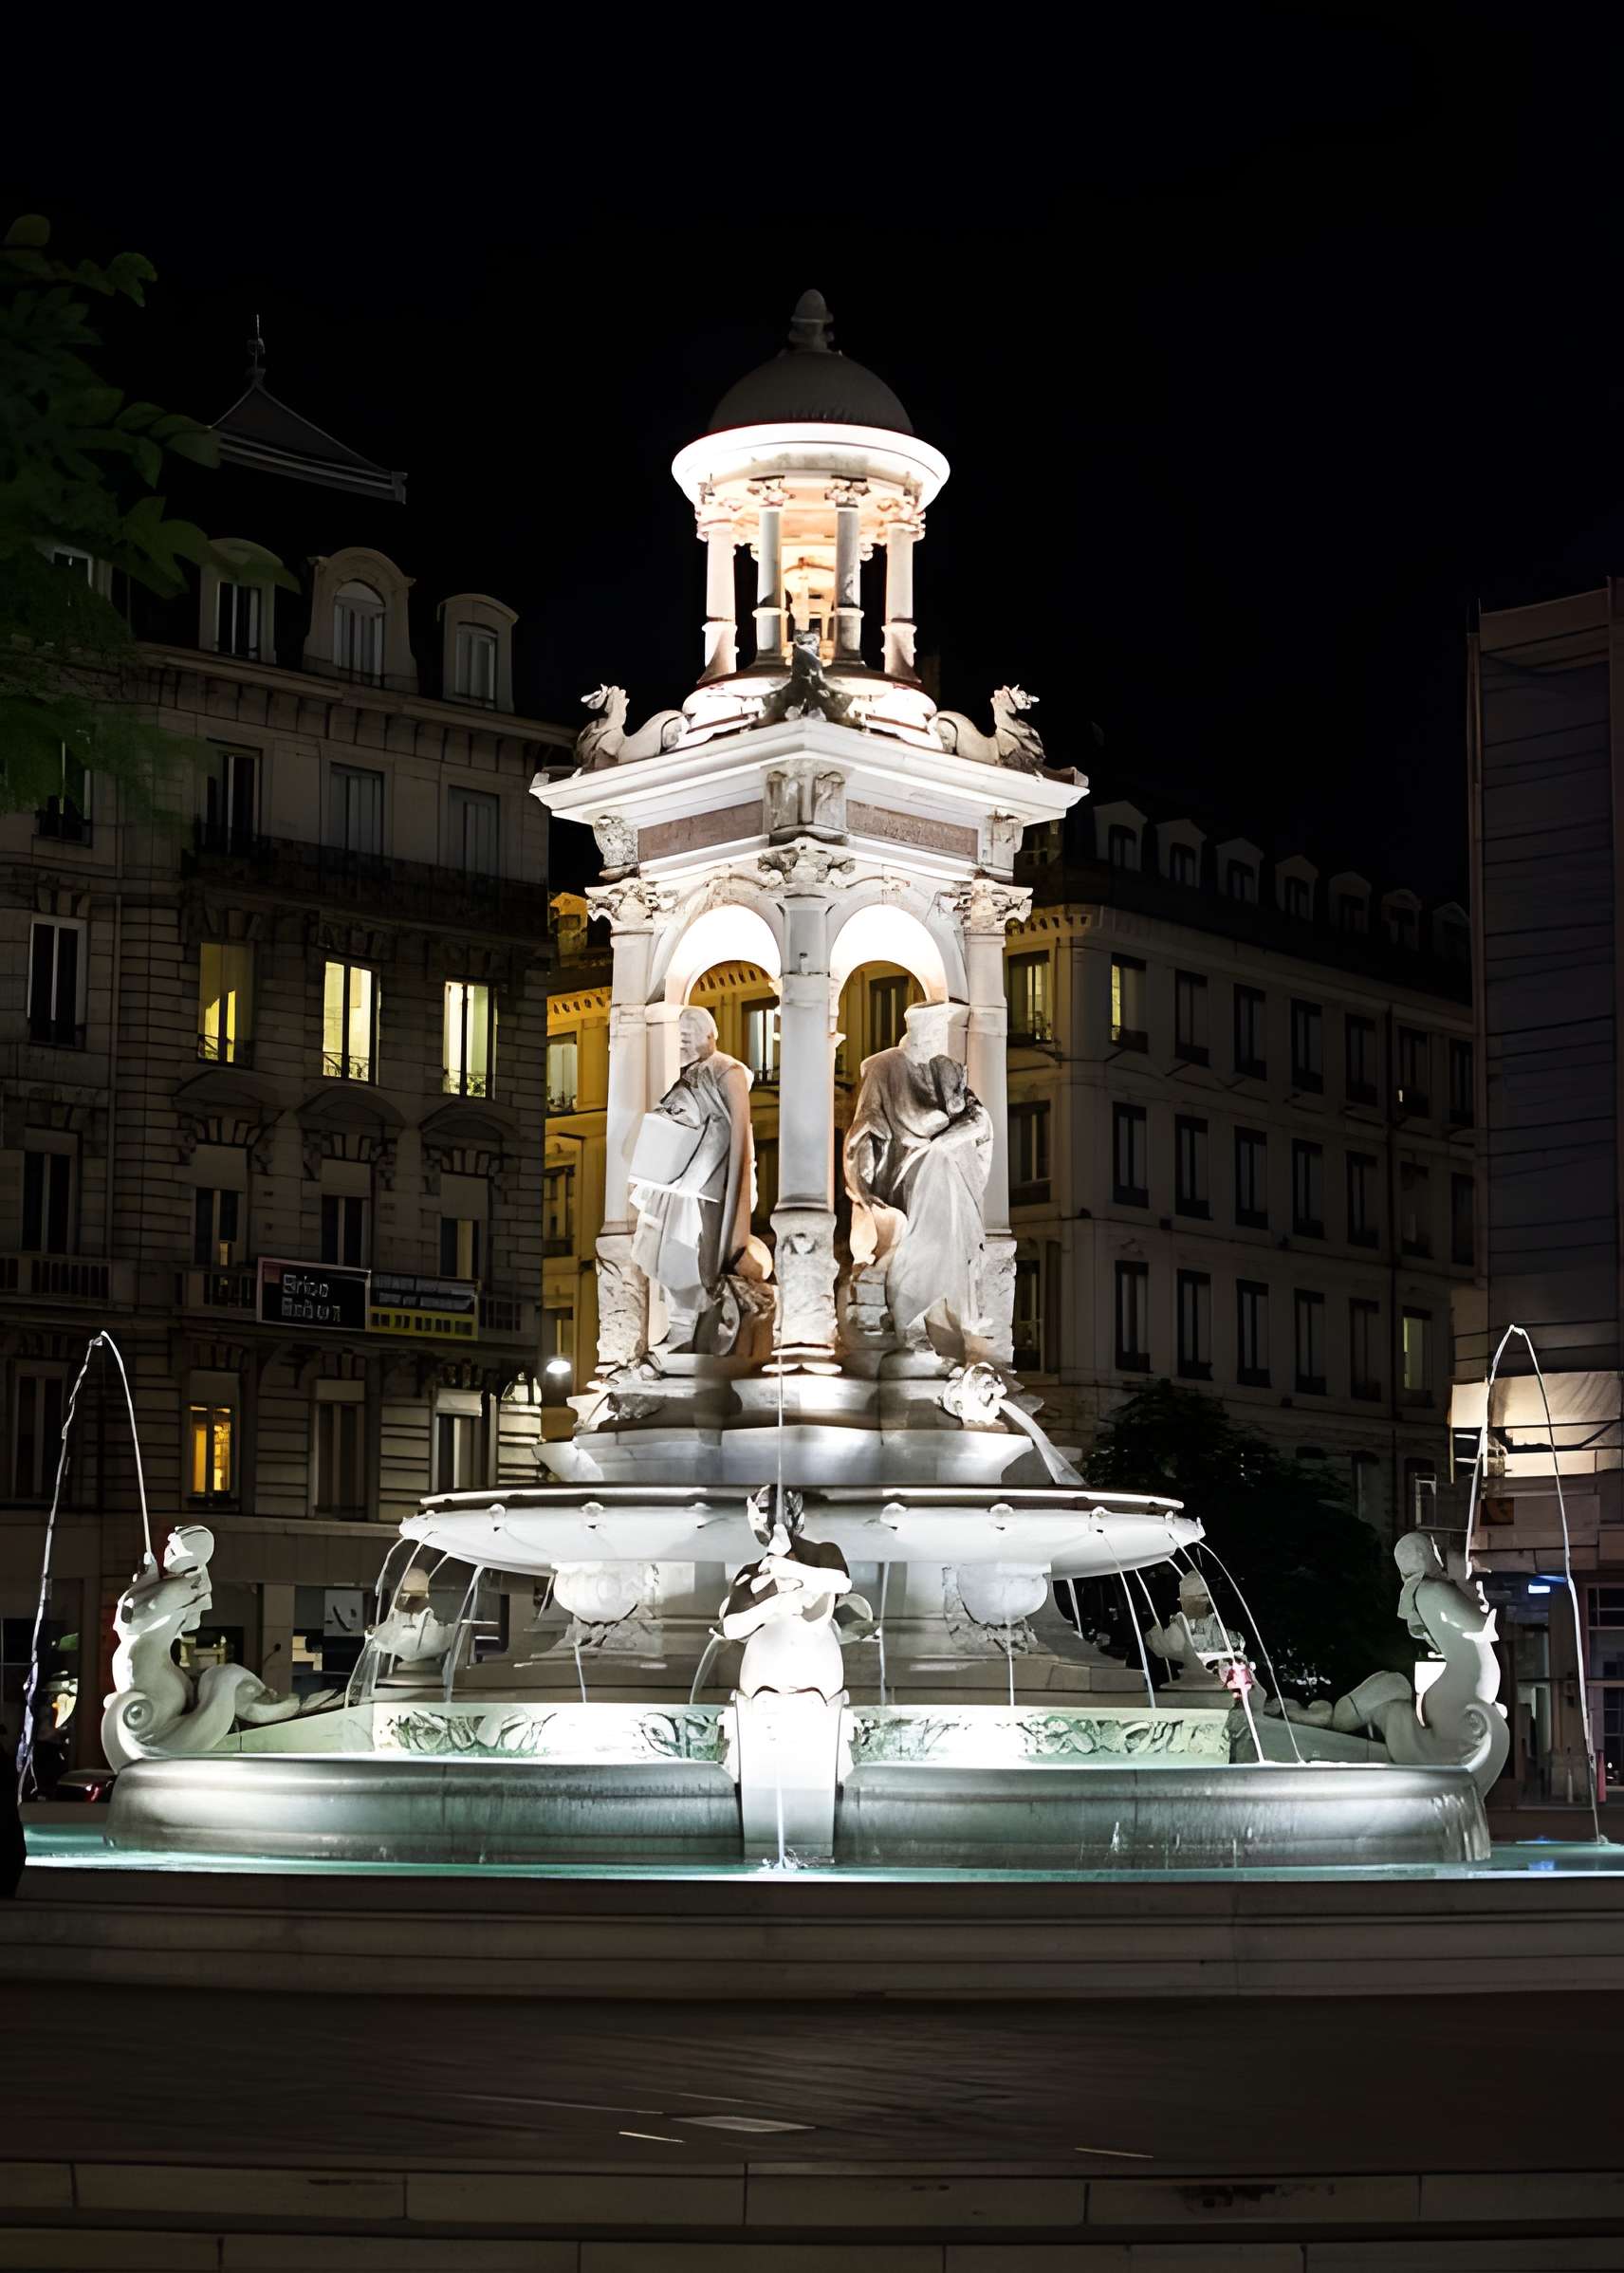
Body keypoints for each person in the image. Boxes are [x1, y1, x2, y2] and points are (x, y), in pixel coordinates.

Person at [843, 1002, 992, 1353]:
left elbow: (979, 1119)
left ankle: (944, 1320)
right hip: (905, 1171)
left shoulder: (947, 1069)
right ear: (915, 1031)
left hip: (947, 1175)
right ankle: (914, 1318)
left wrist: (956, 1136)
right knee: (923, 1239)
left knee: (946, 1239)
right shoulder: (884, 1068)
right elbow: (866, 1127)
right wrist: (863, 1187)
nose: (938, 1040)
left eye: (942, 1033)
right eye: (933, 1032)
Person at [630, 1007, 765, 1350]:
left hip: (705, 1181)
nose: (684, 1040)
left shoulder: (727, 1070)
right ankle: (682, 1327)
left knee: (697, 1255)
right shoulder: (688, 1074)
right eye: (680, 1035)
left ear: (710, 1035)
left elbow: (737, 1132)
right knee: (666, 1250)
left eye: (690, 1034)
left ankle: (700, 1326)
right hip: (677, 1180)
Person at [720, 1486, 862, 1704]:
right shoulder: (751, 1573)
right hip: (764, 1686)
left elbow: (841, 1582)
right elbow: (731, 1627)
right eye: (756, 1515)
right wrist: (776, 1602)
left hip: (816, 1680)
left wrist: (788, 1569)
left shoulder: (822, 1553)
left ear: (794, 1513)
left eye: (766, 1511)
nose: (762, 1521)